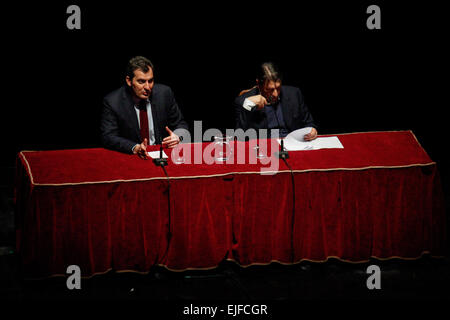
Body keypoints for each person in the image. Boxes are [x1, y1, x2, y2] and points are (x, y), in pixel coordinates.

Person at [101, 56, 188, 158]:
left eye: (150, 81)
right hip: (132, 157)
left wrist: (178, 137)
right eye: (141, 82)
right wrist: (134, 147)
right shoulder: (113, 101)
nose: (147, 87)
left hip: (162, 153)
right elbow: (108, 136)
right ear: (129, 81)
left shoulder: (164, 94)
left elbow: (180, 123)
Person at [234, 62, 317, 140]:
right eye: (270, 90)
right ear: (259, 84)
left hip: (292, 143)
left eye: (278, 88)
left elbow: (309, 123)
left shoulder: (294, 93)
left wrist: (312, 130)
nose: (275, 94)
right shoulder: (244, 101)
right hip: (265, 146)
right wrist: (248, 106)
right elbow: (239, 138)